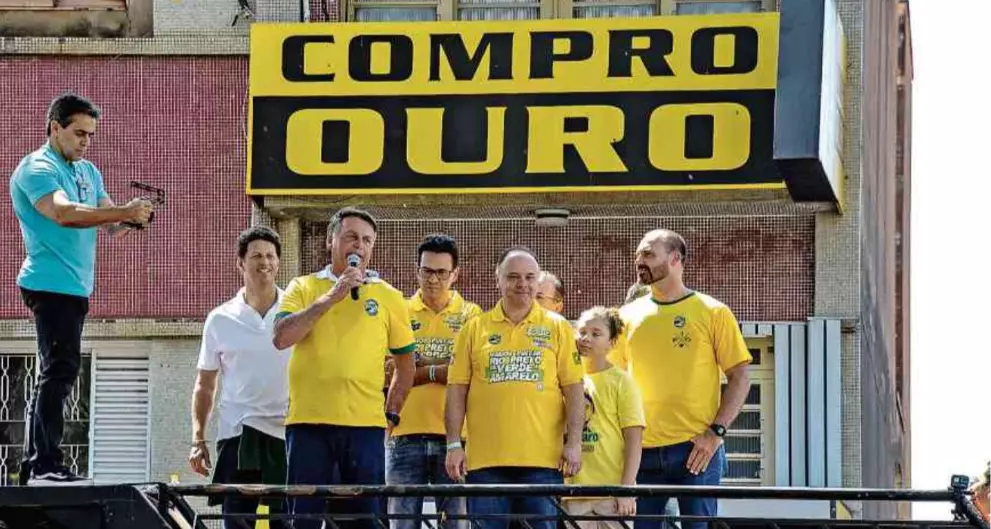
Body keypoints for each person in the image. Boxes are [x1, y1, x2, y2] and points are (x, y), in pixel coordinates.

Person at [9, 93, 153, 484]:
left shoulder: (88, 171)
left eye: (90, 134)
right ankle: (43, 465)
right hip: (48, 283)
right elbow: (63, 214)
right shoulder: (37, 167)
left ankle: (37, 464)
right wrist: (121, 211)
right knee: (58, 369)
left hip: (75, 287)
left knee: (58, 370)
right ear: (55, 128)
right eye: (78, 133)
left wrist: (133, 218)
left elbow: (106, 225)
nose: (85, 141)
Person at [272, 207, 416, 529]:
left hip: (364, 429)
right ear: (330, 240)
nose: (359, 246)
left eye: (367, 240)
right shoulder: (304, 287)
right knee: (303, 520)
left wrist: (391, 413)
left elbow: (406, 363)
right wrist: (333, 296)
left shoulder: (389, 296)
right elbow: (282, 338)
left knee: (364, 522)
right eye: (351, 237)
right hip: (308, 425)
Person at [445, 246, 585, 529]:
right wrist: (453, 444)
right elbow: (457, 390)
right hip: (485, 465)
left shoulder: (558, 328)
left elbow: (573, 390)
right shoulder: (474, 329)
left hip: (543, 464)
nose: (523, 284)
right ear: (498, 279)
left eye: (530, 277)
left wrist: (574, 443)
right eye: (513, 277)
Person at [620, 230, 752, 529]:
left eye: (649, 254)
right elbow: (613, 382)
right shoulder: (626, 316)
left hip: (697, 451)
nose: (640, 260)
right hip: (641, 452)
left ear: (676, 259)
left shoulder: (713, 311)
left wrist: (715, 433)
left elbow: (741, 374)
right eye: (638, 254)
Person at [188, 226, 290, 529]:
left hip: (285, 434)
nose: (265, 262)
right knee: (236, 522)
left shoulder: (294, 312)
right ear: (240, 263)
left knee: (286, 523)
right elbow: (205, 385)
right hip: (236, 434)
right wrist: (198, 438)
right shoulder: (220, 318)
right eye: (256, 255)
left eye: (271, 256)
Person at [386, 234, 481, 529]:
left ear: (455, 274)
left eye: (441, 272)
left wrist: (418, 368)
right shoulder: (398, 310)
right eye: (427, 271)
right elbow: (389, 370)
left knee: (457, 523)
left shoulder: (472, 315)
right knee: (402, 523)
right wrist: (442, 368)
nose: (433, 279)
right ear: (416, 270)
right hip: (403, 436)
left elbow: (469, 373)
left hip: (454, 439)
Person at [564, 307, 645, 529]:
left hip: (610, 496)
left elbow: (634, 440)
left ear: (612, 342)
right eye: (581, 332)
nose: (586, 339)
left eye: (596, 334)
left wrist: (626, 490)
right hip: (572, 495)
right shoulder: (566, 378)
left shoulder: (622, 382)